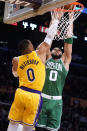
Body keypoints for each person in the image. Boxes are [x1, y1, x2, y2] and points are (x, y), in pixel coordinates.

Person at [7, 11, 63, 131]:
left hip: (21, 93)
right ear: (30, 47)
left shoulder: (16, 59)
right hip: (34, 96)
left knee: (13, 123)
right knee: (28, 126)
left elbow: (15, 74)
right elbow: (49, 37)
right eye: (32, 43)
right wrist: (56, 19)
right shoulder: (39, 53)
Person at [35, 13, 73, 131]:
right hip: (42, 99)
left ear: (61, 54)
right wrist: (54, 19)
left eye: (59, 49)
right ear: (50, 52)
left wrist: (71, 20)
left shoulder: (65, 62)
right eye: (54, 49)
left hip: (56, 102)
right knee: (38, 128)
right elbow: (48, 40)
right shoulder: (46, 59)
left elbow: (68, 44)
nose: (56, 49)